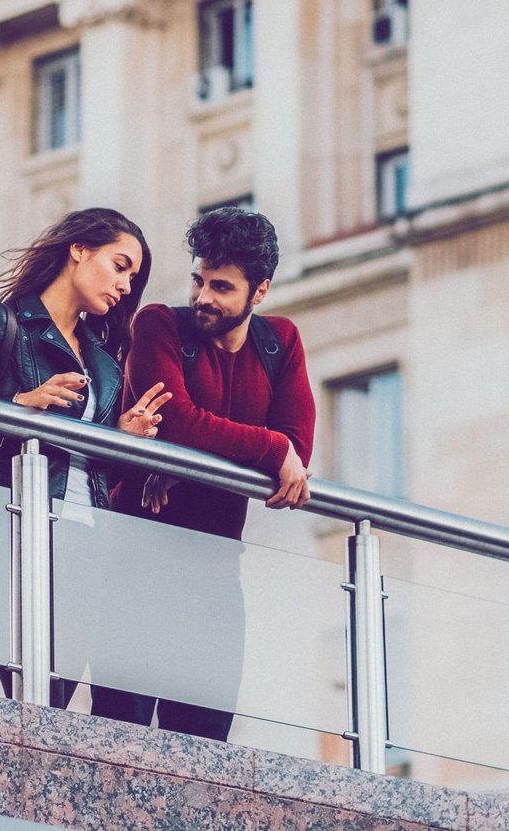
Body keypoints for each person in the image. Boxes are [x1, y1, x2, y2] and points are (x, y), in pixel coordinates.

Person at [0, 207, 171, 706]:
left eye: (132, 278)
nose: (124, 286)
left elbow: (89, 466)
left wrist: (123, 438)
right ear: (78, 249)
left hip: (86, 537)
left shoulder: (102, 362)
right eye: (120, 266)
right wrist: (19, 406)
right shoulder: (2, 323)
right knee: (31, 683)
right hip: (10, 529)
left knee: (55, 692)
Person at [89, 207, 316, 740]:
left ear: (259, 292)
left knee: (205, 756)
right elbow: (180, 421)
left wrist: (199, 461)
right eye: (198, 279)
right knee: (119, 744)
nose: (203, 297)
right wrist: (267, 446)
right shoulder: (159, 325)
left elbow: (297, 455)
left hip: (215, 579)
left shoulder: (279, 342)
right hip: (134, 567)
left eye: (221, 286)